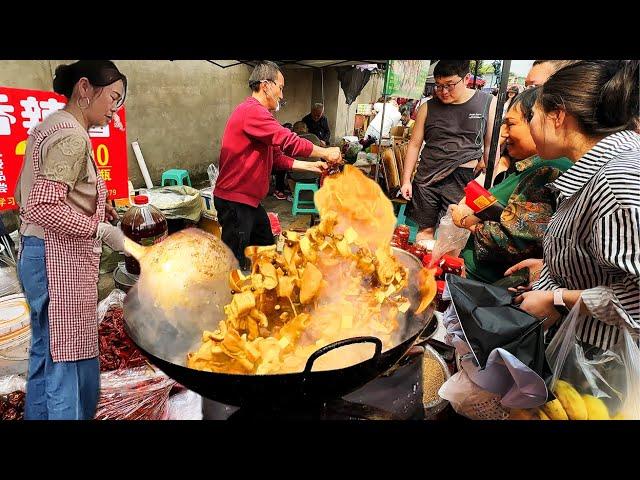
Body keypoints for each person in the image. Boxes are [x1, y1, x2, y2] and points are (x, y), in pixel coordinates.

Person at [15, 60, 128, 420]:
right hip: (55, 260)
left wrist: (97, 207)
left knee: (44, 352)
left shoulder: (50, 127)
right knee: (65, 360)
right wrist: (98, 230)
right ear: (84, 89)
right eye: (112, 97)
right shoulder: (71, 137)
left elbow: (26, 193)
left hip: (35, 253)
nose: (115, 108)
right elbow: (41, 206)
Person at [515, 60, 639, 352]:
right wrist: (557, 270)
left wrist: (556, 299)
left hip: (605, 365)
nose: (531, 125)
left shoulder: (616, 180)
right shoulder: (603, 168)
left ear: (557, 115)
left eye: (533, 115)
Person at [213, 61, 341, 267]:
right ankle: (228, 297)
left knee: (266, 249)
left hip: (250, 202)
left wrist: (312, 165)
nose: (282, 95)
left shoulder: (260, 115)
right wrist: (325, 152)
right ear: (266, 86)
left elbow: (278, 158)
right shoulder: (252, 111)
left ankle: (264, 291)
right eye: (280, 88)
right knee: (233, 263)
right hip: (235, 201)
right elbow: (288, 140)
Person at [449, 87, 572, 284]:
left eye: (511, 124)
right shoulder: (530, 165)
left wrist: (466, 221)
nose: (504, 133)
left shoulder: (549, 168)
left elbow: (517, 239)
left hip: (491, 290)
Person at [401, 60, 497, 243]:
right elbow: (414, 145)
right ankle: (423, 270)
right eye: (438, 86)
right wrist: (406, 180)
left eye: (449, 85)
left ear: (466, 79)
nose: (443, 92)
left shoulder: (488, 103)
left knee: (454, 234)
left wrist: (489, 184)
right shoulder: (427, 107)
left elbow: (491, 146)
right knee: (424, 231)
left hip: (463, 179)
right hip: (427, 177)